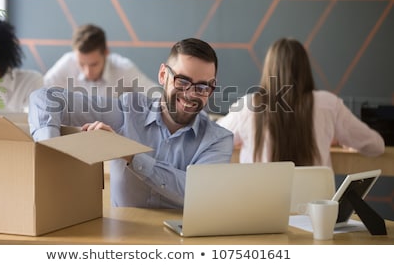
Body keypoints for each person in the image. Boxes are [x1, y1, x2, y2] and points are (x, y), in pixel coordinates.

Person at [29, 37, 234, 209]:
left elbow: (199, 193)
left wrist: (129, 153)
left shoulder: (218, 140)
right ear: (163, 75)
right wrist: (49, 153)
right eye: (182, 81)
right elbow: (45, 98)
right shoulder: (127, 110)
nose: (190, 94)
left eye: (202, 87)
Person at [217, 37, 385, 167]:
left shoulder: (248, 106)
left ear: (269, 69)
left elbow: (212, 141)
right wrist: (340, 138)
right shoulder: (328, 104)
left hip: (261, 210)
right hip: (315, 210)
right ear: (305, 68)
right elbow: (376, 146)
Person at [44, 24, 157, 98]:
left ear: (106, 53)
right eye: (82, 64)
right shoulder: (67, 63)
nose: (87, 72)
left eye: (94, 64)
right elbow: (40, 93)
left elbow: (157, 95)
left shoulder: (123, 68)